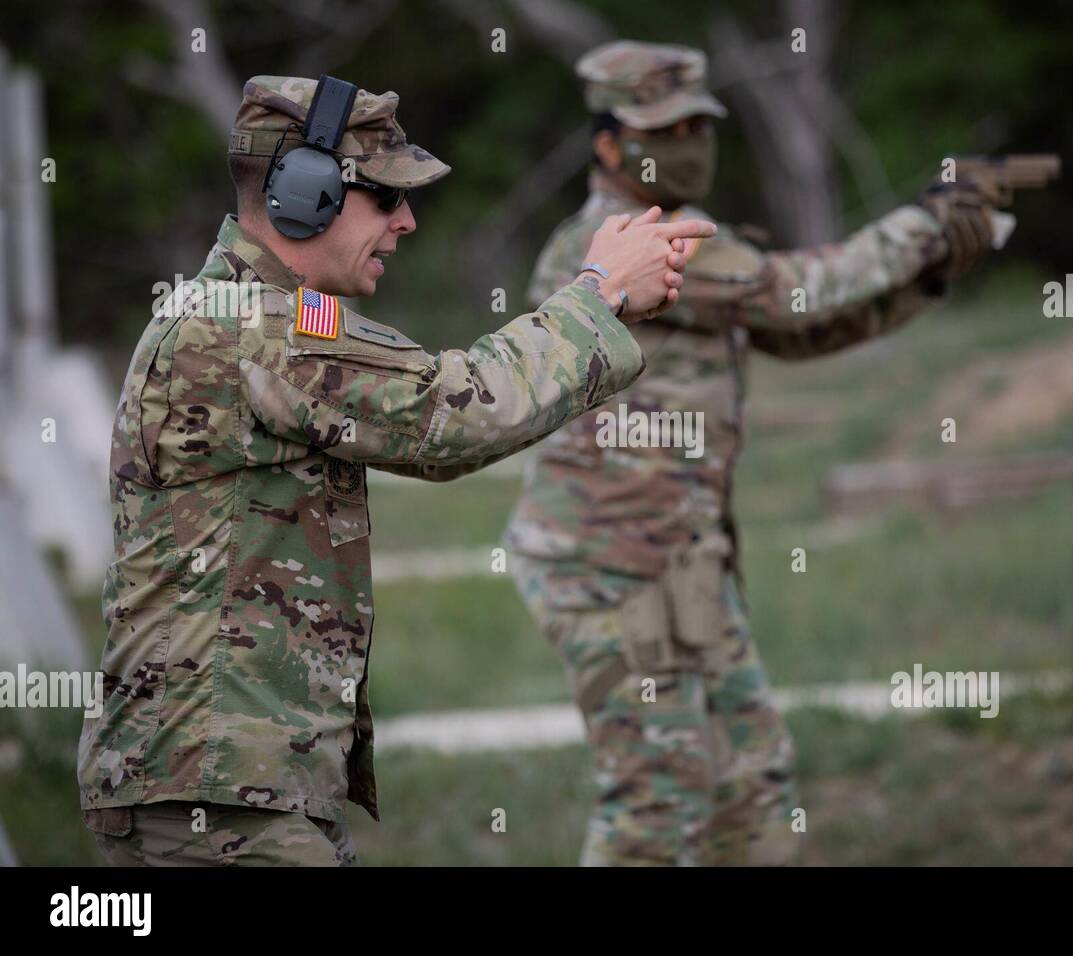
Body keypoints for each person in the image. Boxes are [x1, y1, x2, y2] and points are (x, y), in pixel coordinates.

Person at [77, 73, 716, 866]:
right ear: (303, 194)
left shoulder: (253, 316)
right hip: (216, 798)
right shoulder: (254, 328)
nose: (407, 221)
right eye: (385, 198)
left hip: (232, 789)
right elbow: (456, 413)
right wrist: (599, 294)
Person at [505, 41, 998, 865]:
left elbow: (797, 330)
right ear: (607, 143)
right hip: (612, 564)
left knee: (748, 785)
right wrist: (928, 223)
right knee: (658, 799)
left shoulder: (688, 238)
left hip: (683, 559)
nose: (692, 141)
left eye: (702, 123)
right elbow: (790, 289)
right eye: (669, 127)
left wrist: (937, 268)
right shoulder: (611, 244)